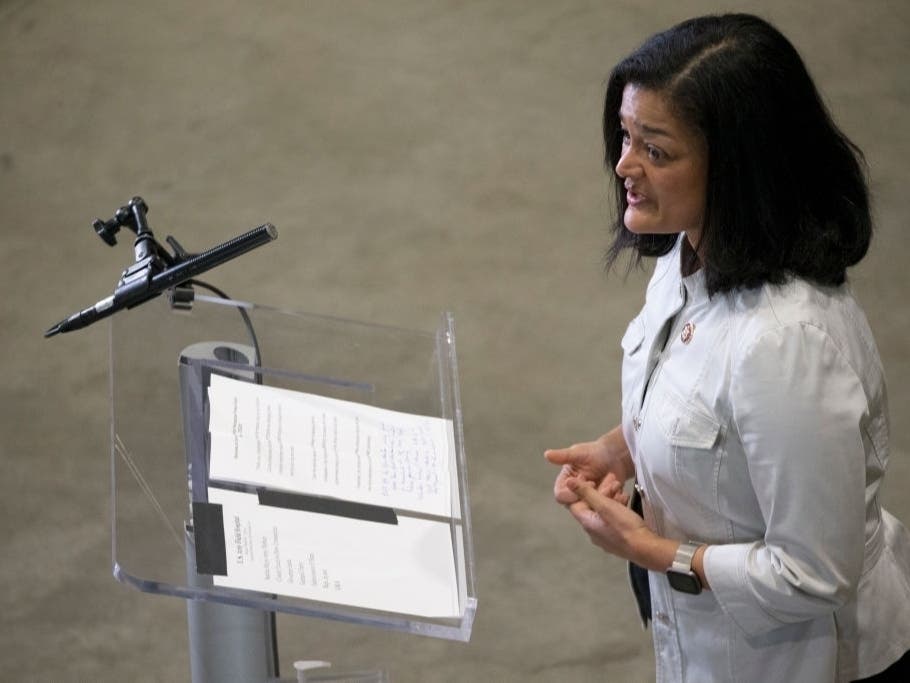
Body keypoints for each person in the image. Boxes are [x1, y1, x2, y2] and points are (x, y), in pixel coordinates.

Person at [545, 13, 910, 683]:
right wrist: (624, 446)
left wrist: (655, 550)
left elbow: (814, 573)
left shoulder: (787, 345)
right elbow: (707, 406)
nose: (624, 166)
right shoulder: (688, 252)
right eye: (626, 136)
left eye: (656, 150)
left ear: (739, 167)